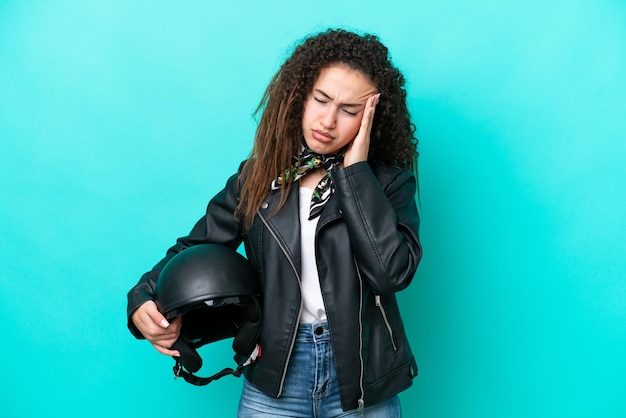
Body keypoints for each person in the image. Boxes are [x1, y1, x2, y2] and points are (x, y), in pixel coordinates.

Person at [127, 28, 422, 417]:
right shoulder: (258, 178)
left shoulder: (388, 186)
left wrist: (355, 175)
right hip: (278, 370)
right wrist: (142, 299)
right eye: (321, 100)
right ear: (300, 96)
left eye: (349, 111)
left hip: (363, 374)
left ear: (370, 119)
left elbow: (390, 274)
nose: (328, 121)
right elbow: (197, 247)